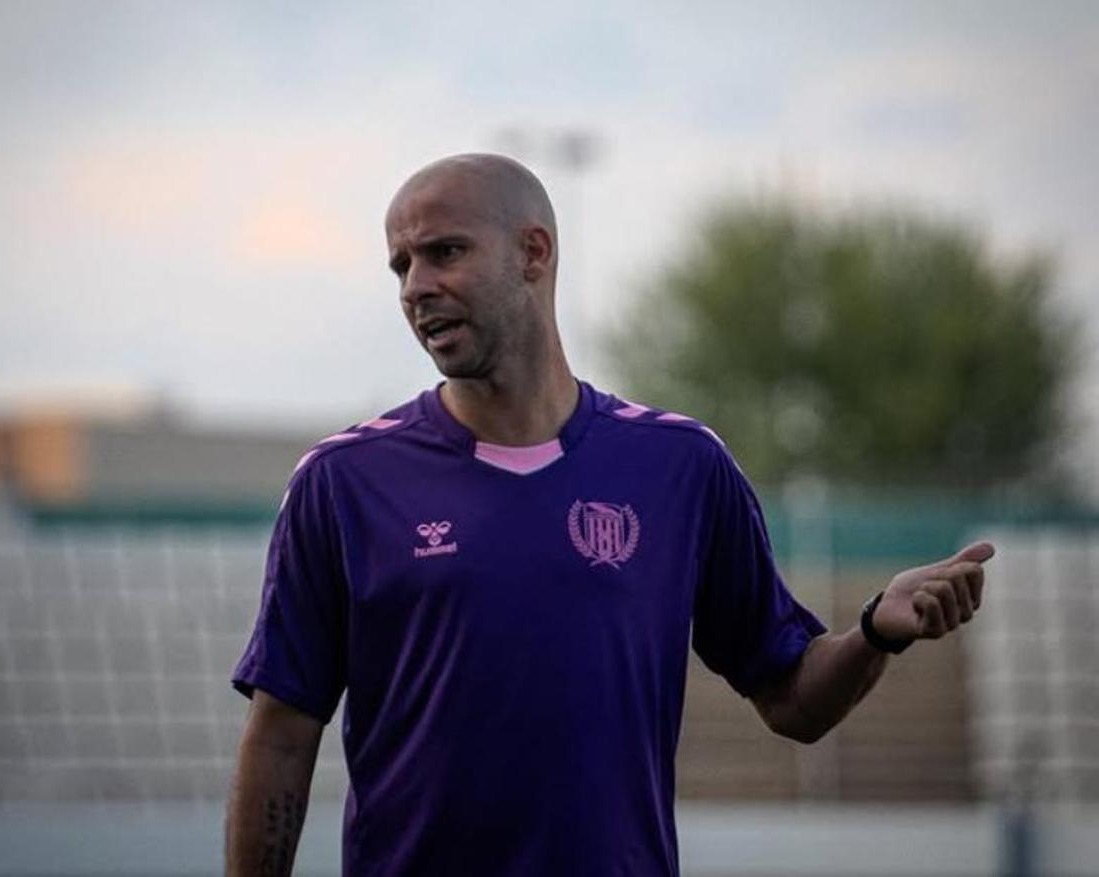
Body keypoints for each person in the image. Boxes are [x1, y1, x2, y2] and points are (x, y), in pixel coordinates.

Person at [225, 154, 993, 876]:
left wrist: (874, 631)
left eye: (444, 253)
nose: (415, 286)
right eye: (401, 264)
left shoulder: (680, 466)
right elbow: (282, 739)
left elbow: (793, 698)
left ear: (534, 253)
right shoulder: (345, 480)